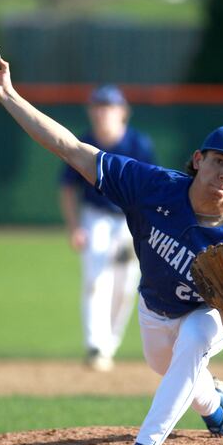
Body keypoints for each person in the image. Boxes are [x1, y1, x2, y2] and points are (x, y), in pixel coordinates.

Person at [0, 55, 223, 445]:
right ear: (197, 160)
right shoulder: (151, 187)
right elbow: (69, 148)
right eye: (218, 161)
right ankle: (217, 410)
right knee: (169, 367)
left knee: (193, 340)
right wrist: (8, 95)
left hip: (206, 316)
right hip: (155, 311)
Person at [59, 84, 157, 372]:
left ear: (123, 112)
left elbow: (152, 190)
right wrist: (74, 226)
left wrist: (143, 229)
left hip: (130, 220)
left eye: (109, 106)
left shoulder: (139, 144)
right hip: (96, 217)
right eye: (98, 106)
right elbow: (67, 188)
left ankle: (109, 345)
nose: (103, 112)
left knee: (126, 285)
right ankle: (95, 345)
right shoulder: (85, 141)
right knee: (96, 278)